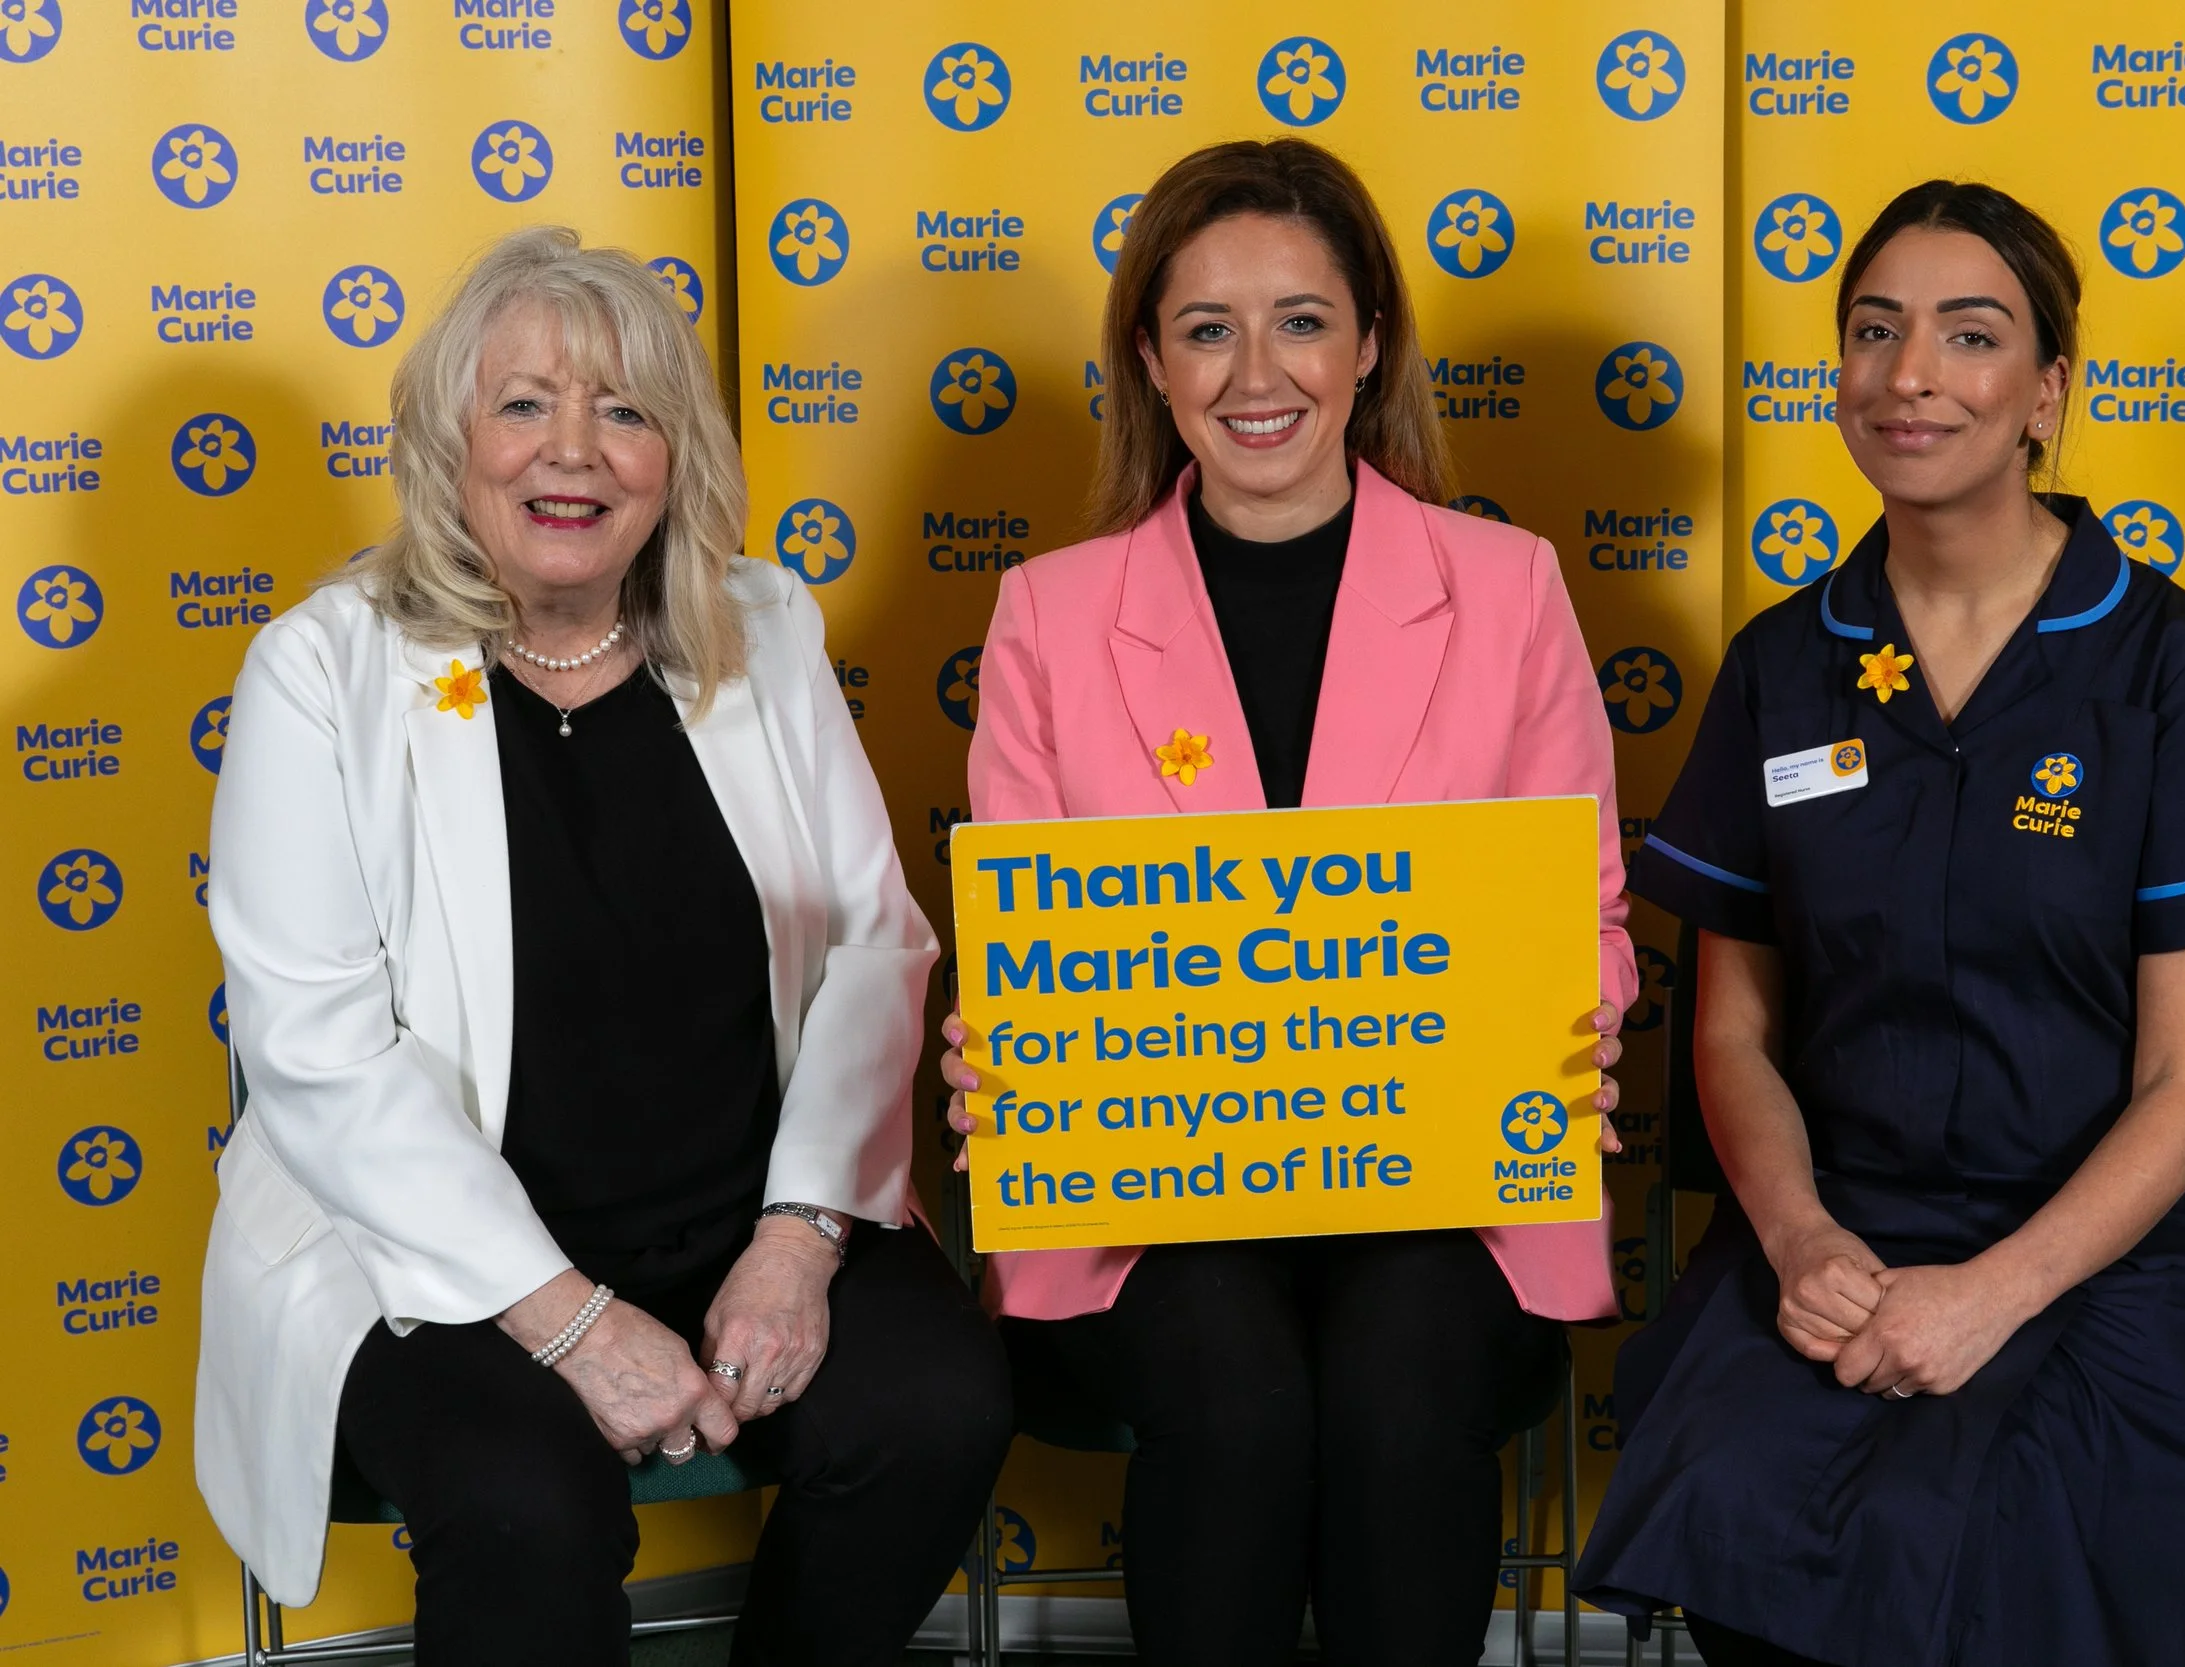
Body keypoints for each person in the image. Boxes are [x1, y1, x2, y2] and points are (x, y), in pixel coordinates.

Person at [198, 226, 1010, 1667]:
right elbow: (315, 1051)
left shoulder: (761, 626)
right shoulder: (323, 670)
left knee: (935, 1404)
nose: (572, 452)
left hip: (745, 1212)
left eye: (624, 410)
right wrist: (573, 1324)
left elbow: (876, 943)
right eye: (524, 405)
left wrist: (800, 1237)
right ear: (449, 439)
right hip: (433, 1265)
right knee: (529, 1502)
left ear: (675, 457)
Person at [1573, 180, 2185, 1667]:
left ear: (2047, 392)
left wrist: (1992, 1296)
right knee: (1743, 1492)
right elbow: (1730, 1027)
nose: (1908, 373)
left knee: (1991, 1522)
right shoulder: (1783, 666)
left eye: (1968, 335)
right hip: (1841, 1217)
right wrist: (1797, 1240)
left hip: (2118, 1245)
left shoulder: (2172, 669)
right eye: (1874, 331)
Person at [935, 138, 1635, 1667]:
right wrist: (1003, 1047)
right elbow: (1026, 941)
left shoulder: (1508, 588)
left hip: (1448, 1185)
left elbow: (1579, 911)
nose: (1261, 371)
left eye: (1303, 319)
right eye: (1208, 327)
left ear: (1371, 341)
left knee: (1399, 1388)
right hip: (1150, 1201)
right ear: (1150, 359)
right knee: (1236, 1400)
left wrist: (1571, 1028)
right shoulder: (1050, 614)